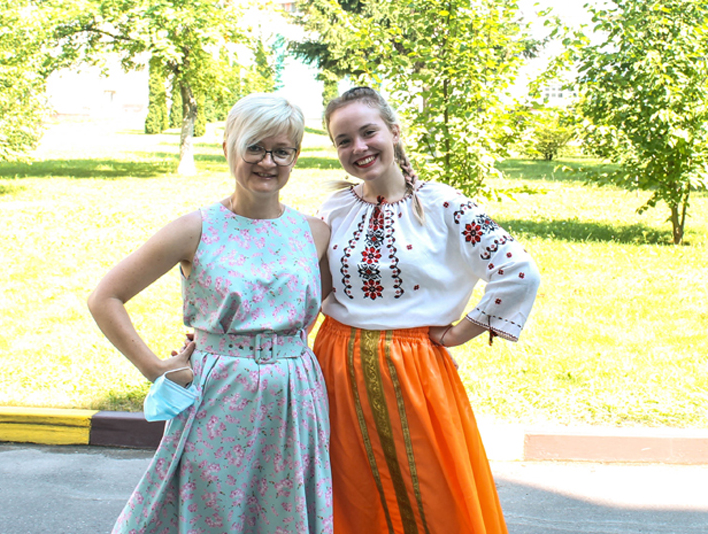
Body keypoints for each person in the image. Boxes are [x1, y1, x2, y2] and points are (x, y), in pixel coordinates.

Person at [88, 93, 333, 534]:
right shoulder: (196, 229)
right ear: (227, 148)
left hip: (294, 396)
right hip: (220, 393)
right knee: (211, 507)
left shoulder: (314, 232)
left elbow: (315, 303)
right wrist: (155, 368)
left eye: (282, 151)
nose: (268, 162)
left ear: (295, 156)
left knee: (283, 510)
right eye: (255, 147)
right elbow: (105, 297)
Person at [313, 86, 541, 534]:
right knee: (350, 492)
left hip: (413, 370)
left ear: (394, 132)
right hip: (334, 364)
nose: (358, 147)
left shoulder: (444, 205)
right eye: (344, 140)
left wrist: (458, 333)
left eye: (368, 132)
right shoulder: (334, 209)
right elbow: (308, 288)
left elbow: (519, 272)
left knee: (430, 494)